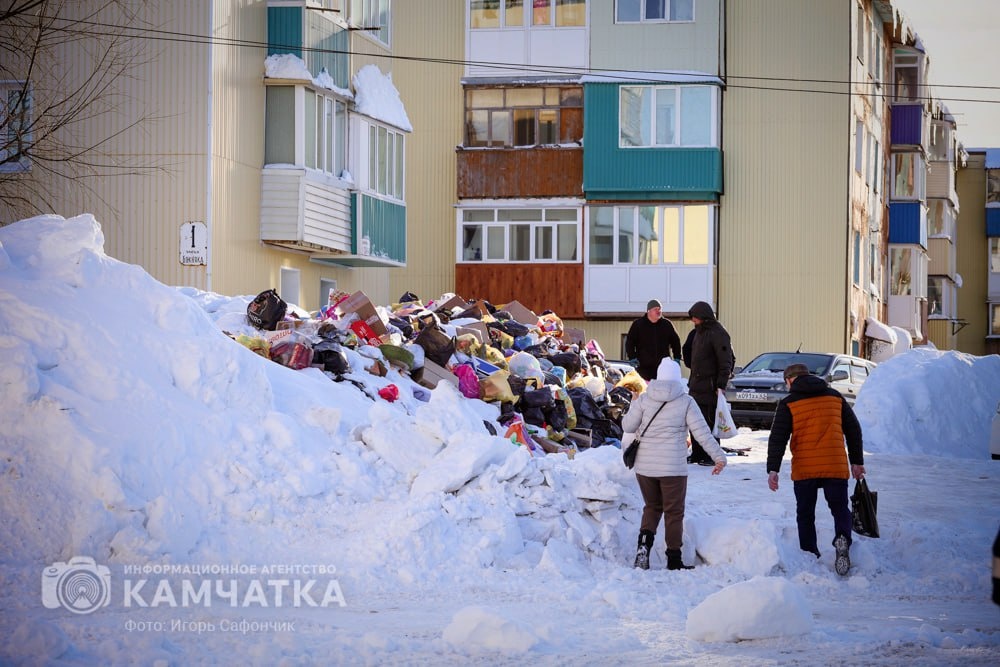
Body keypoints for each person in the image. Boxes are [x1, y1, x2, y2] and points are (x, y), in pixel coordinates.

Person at [622, 358, 727, 571]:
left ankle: (643, 548)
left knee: (652, 507)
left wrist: (634, 404)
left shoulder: (644, 398)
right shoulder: (686, 401)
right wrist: (719, 457)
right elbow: (702, 434)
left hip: (645, 467)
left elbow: (627, 425)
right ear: (678, 378)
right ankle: (674, 559)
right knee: (673, 512)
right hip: (673, 469)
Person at [766, 363, 866, 576]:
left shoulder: (789, 403)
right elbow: (853, 429)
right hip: (834, 464)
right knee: (840, 509)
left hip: (805, 468)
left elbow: (778, 438)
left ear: (790, 380)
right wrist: (856, 461)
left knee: (805, 513)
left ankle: (809, 553)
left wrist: (773, 469)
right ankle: (842, 539)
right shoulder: (835, 397)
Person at [683, 301, 734, 465]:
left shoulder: (718, 333)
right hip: (697, 386)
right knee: (695, 422)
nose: (693, 321)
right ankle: (697, 453)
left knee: (709, 422)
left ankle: (711, 455)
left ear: (703, 317)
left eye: (695, 318)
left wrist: (721, 385)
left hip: (711, 387)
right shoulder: (699, 333)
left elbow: (726, 361)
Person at [624, 299, 682, 383]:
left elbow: (676, 341)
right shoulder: (638, 325)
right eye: (656, 309)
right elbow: (630, 342)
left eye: (660, 309)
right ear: (649, 311)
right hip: (643, 369)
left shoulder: (667, 325)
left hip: (663, 369)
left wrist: (677, 357)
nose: (659, 311)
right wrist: (632, 357)